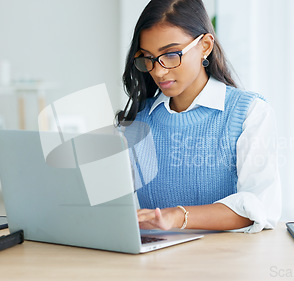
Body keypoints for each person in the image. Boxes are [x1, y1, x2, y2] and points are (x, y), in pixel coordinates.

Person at [116, 0, 281, 233]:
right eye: (148, 58)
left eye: (171, 55)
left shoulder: (249, 113)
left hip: (225, 262)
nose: (158, 71)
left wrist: (178, 216)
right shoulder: (138, 120)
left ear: (205, 45)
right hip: (153, 264)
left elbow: (259, 207)